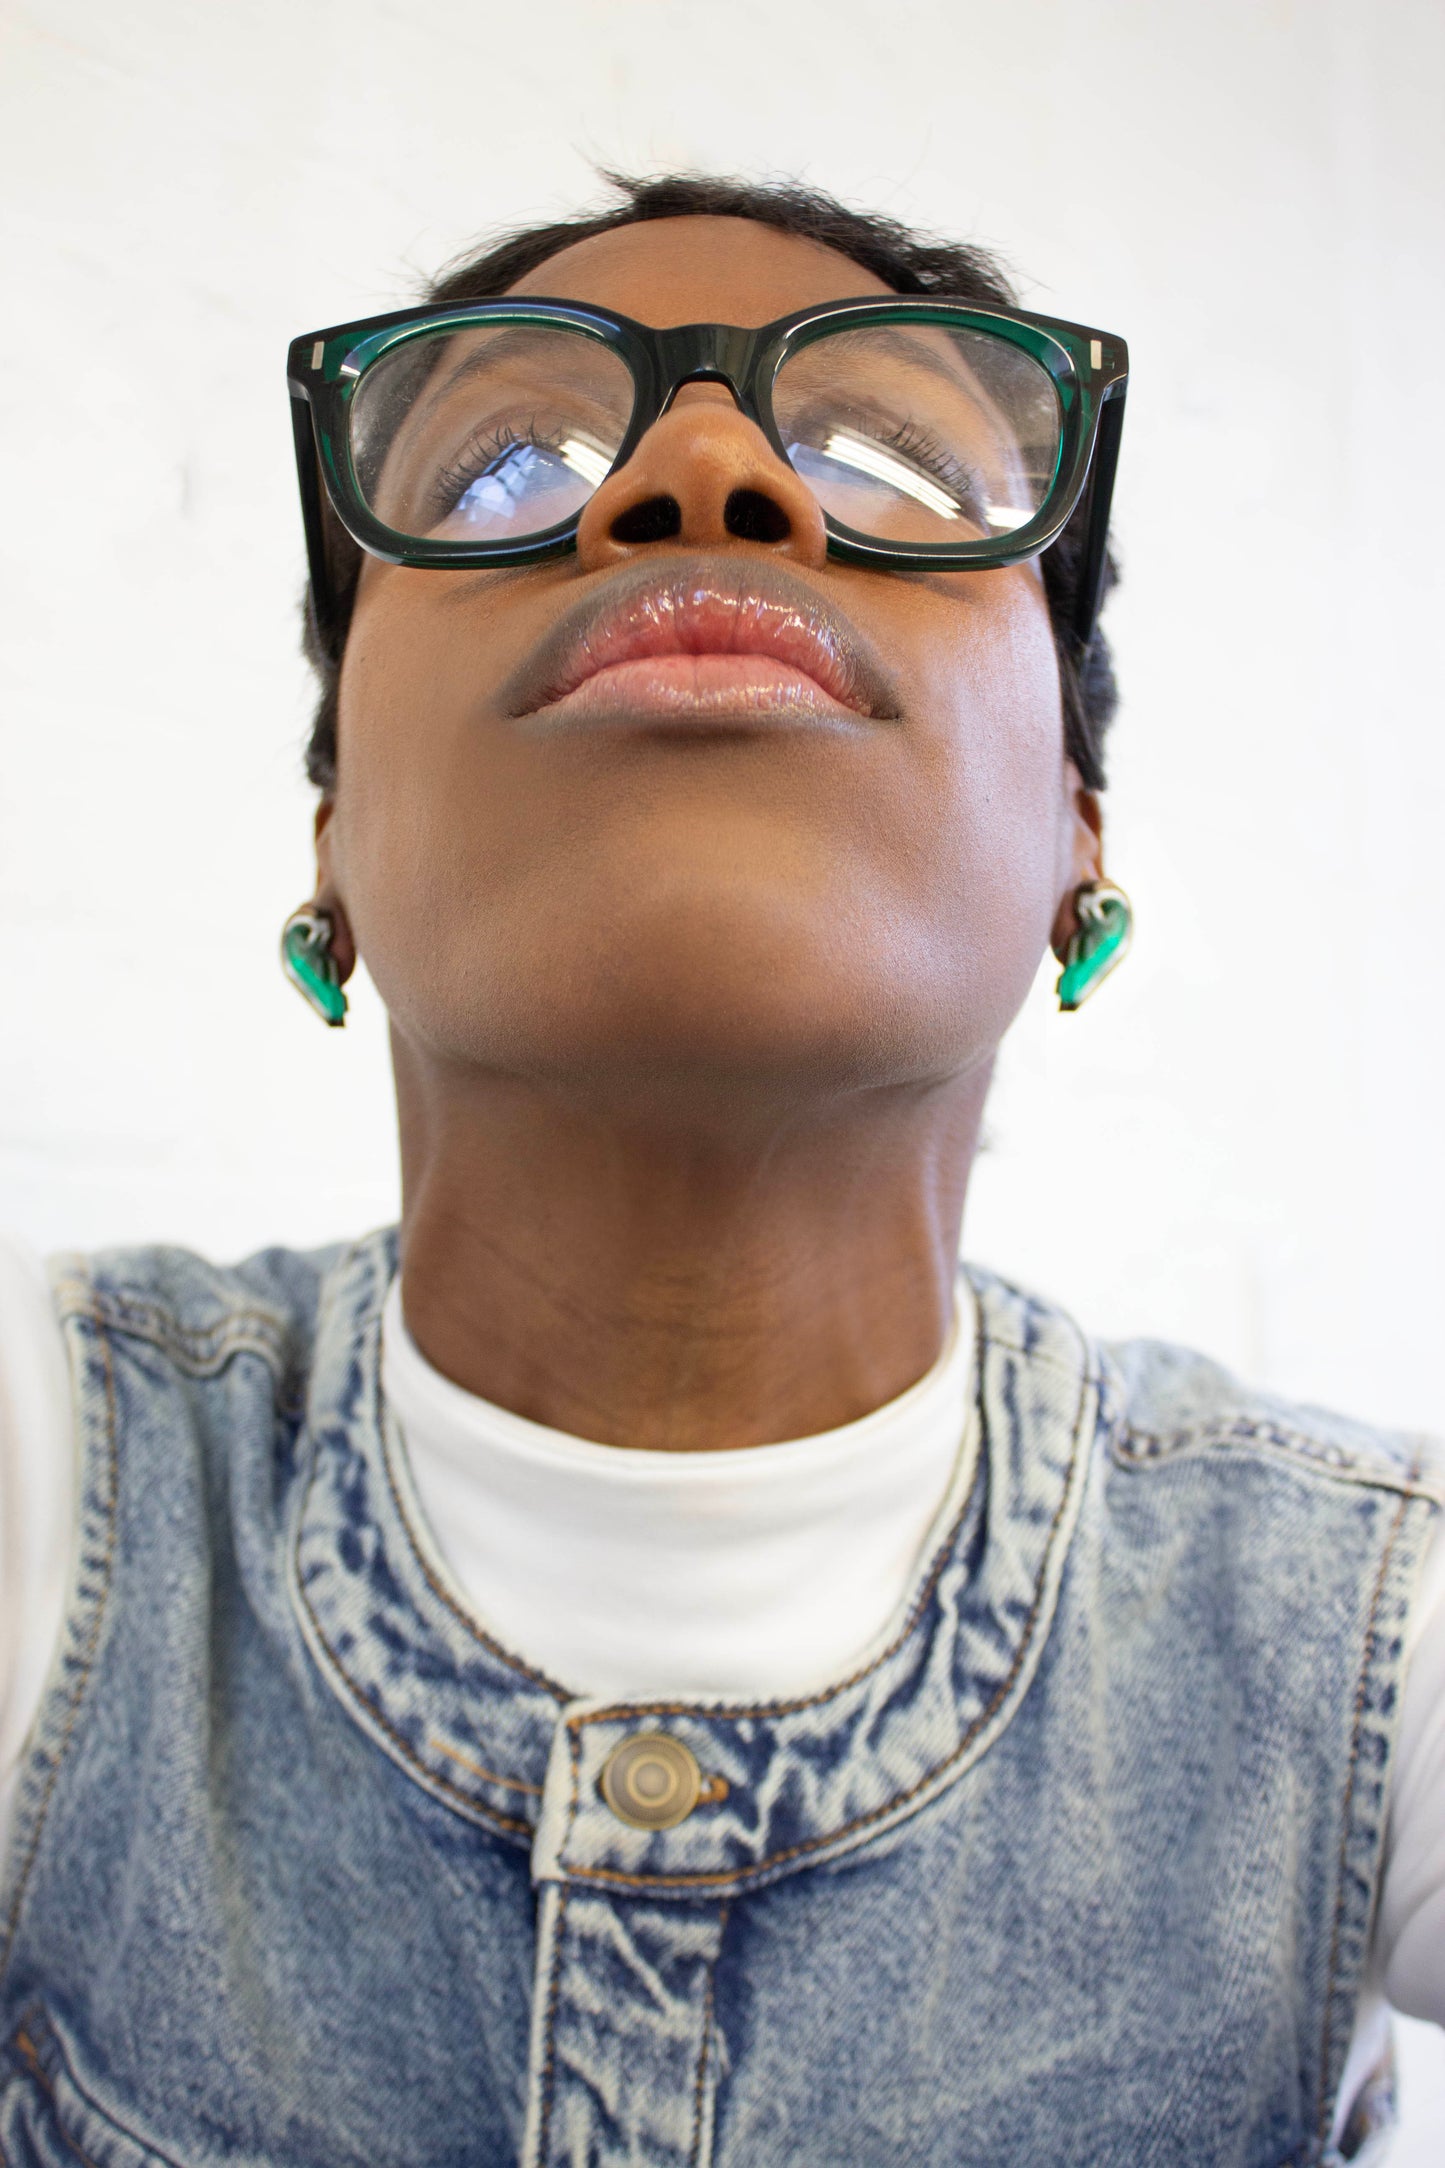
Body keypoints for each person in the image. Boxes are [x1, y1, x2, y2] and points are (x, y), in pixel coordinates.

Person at [0, 174, 1440, 2168]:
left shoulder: (1369, 1641)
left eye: (888, 459)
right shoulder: (50, 1491)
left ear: (1076, 836)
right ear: (331, 826)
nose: (701, 473)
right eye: (507, 461)